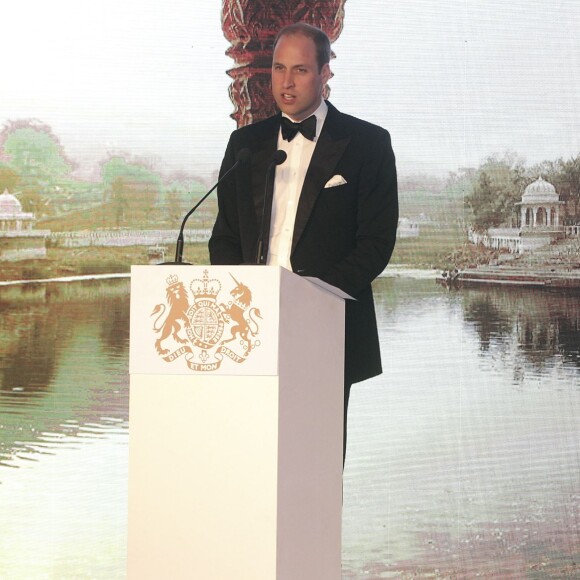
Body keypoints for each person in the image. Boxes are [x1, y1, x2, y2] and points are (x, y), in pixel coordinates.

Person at [209, 22, 398, 461]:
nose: (286, 82)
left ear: (326, 74)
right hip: (249, 327)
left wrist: (312, 300)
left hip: (325, 326)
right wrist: (241, 300)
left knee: (317, 464)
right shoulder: (245, 144)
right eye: (278, 69)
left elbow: (375, 242)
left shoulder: (368, 143)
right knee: (250, 459)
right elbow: (225, 236)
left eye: (300, 70)